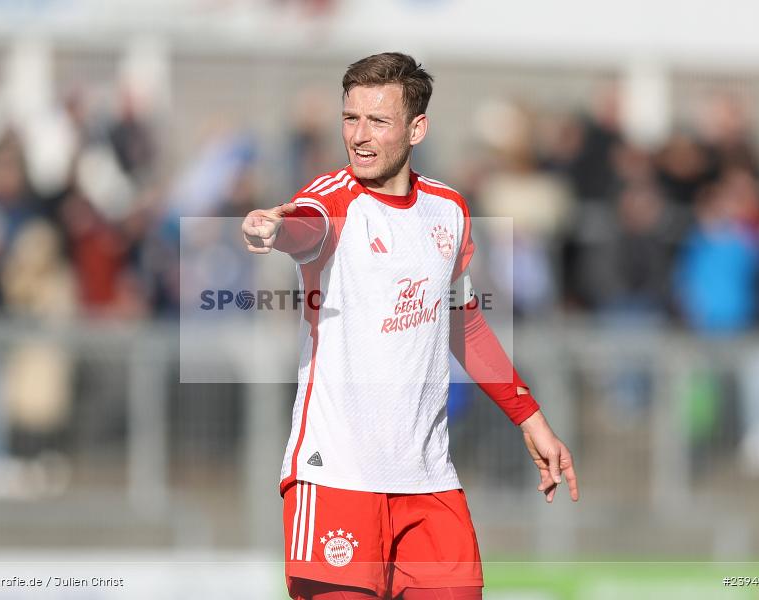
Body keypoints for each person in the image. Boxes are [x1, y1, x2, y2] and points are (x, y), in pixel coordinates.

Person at [241, 52, 579, 600]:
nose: (360, 135)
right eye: (350, 118)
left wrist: (530, 415)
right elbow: (306, 227)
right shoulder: (332, 200)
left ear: (417, 127)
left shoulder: (447, 208)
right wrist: (275, 230)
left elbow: (462, 324)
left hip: (429, 484)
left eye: (378, 120)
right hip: (336, 481)